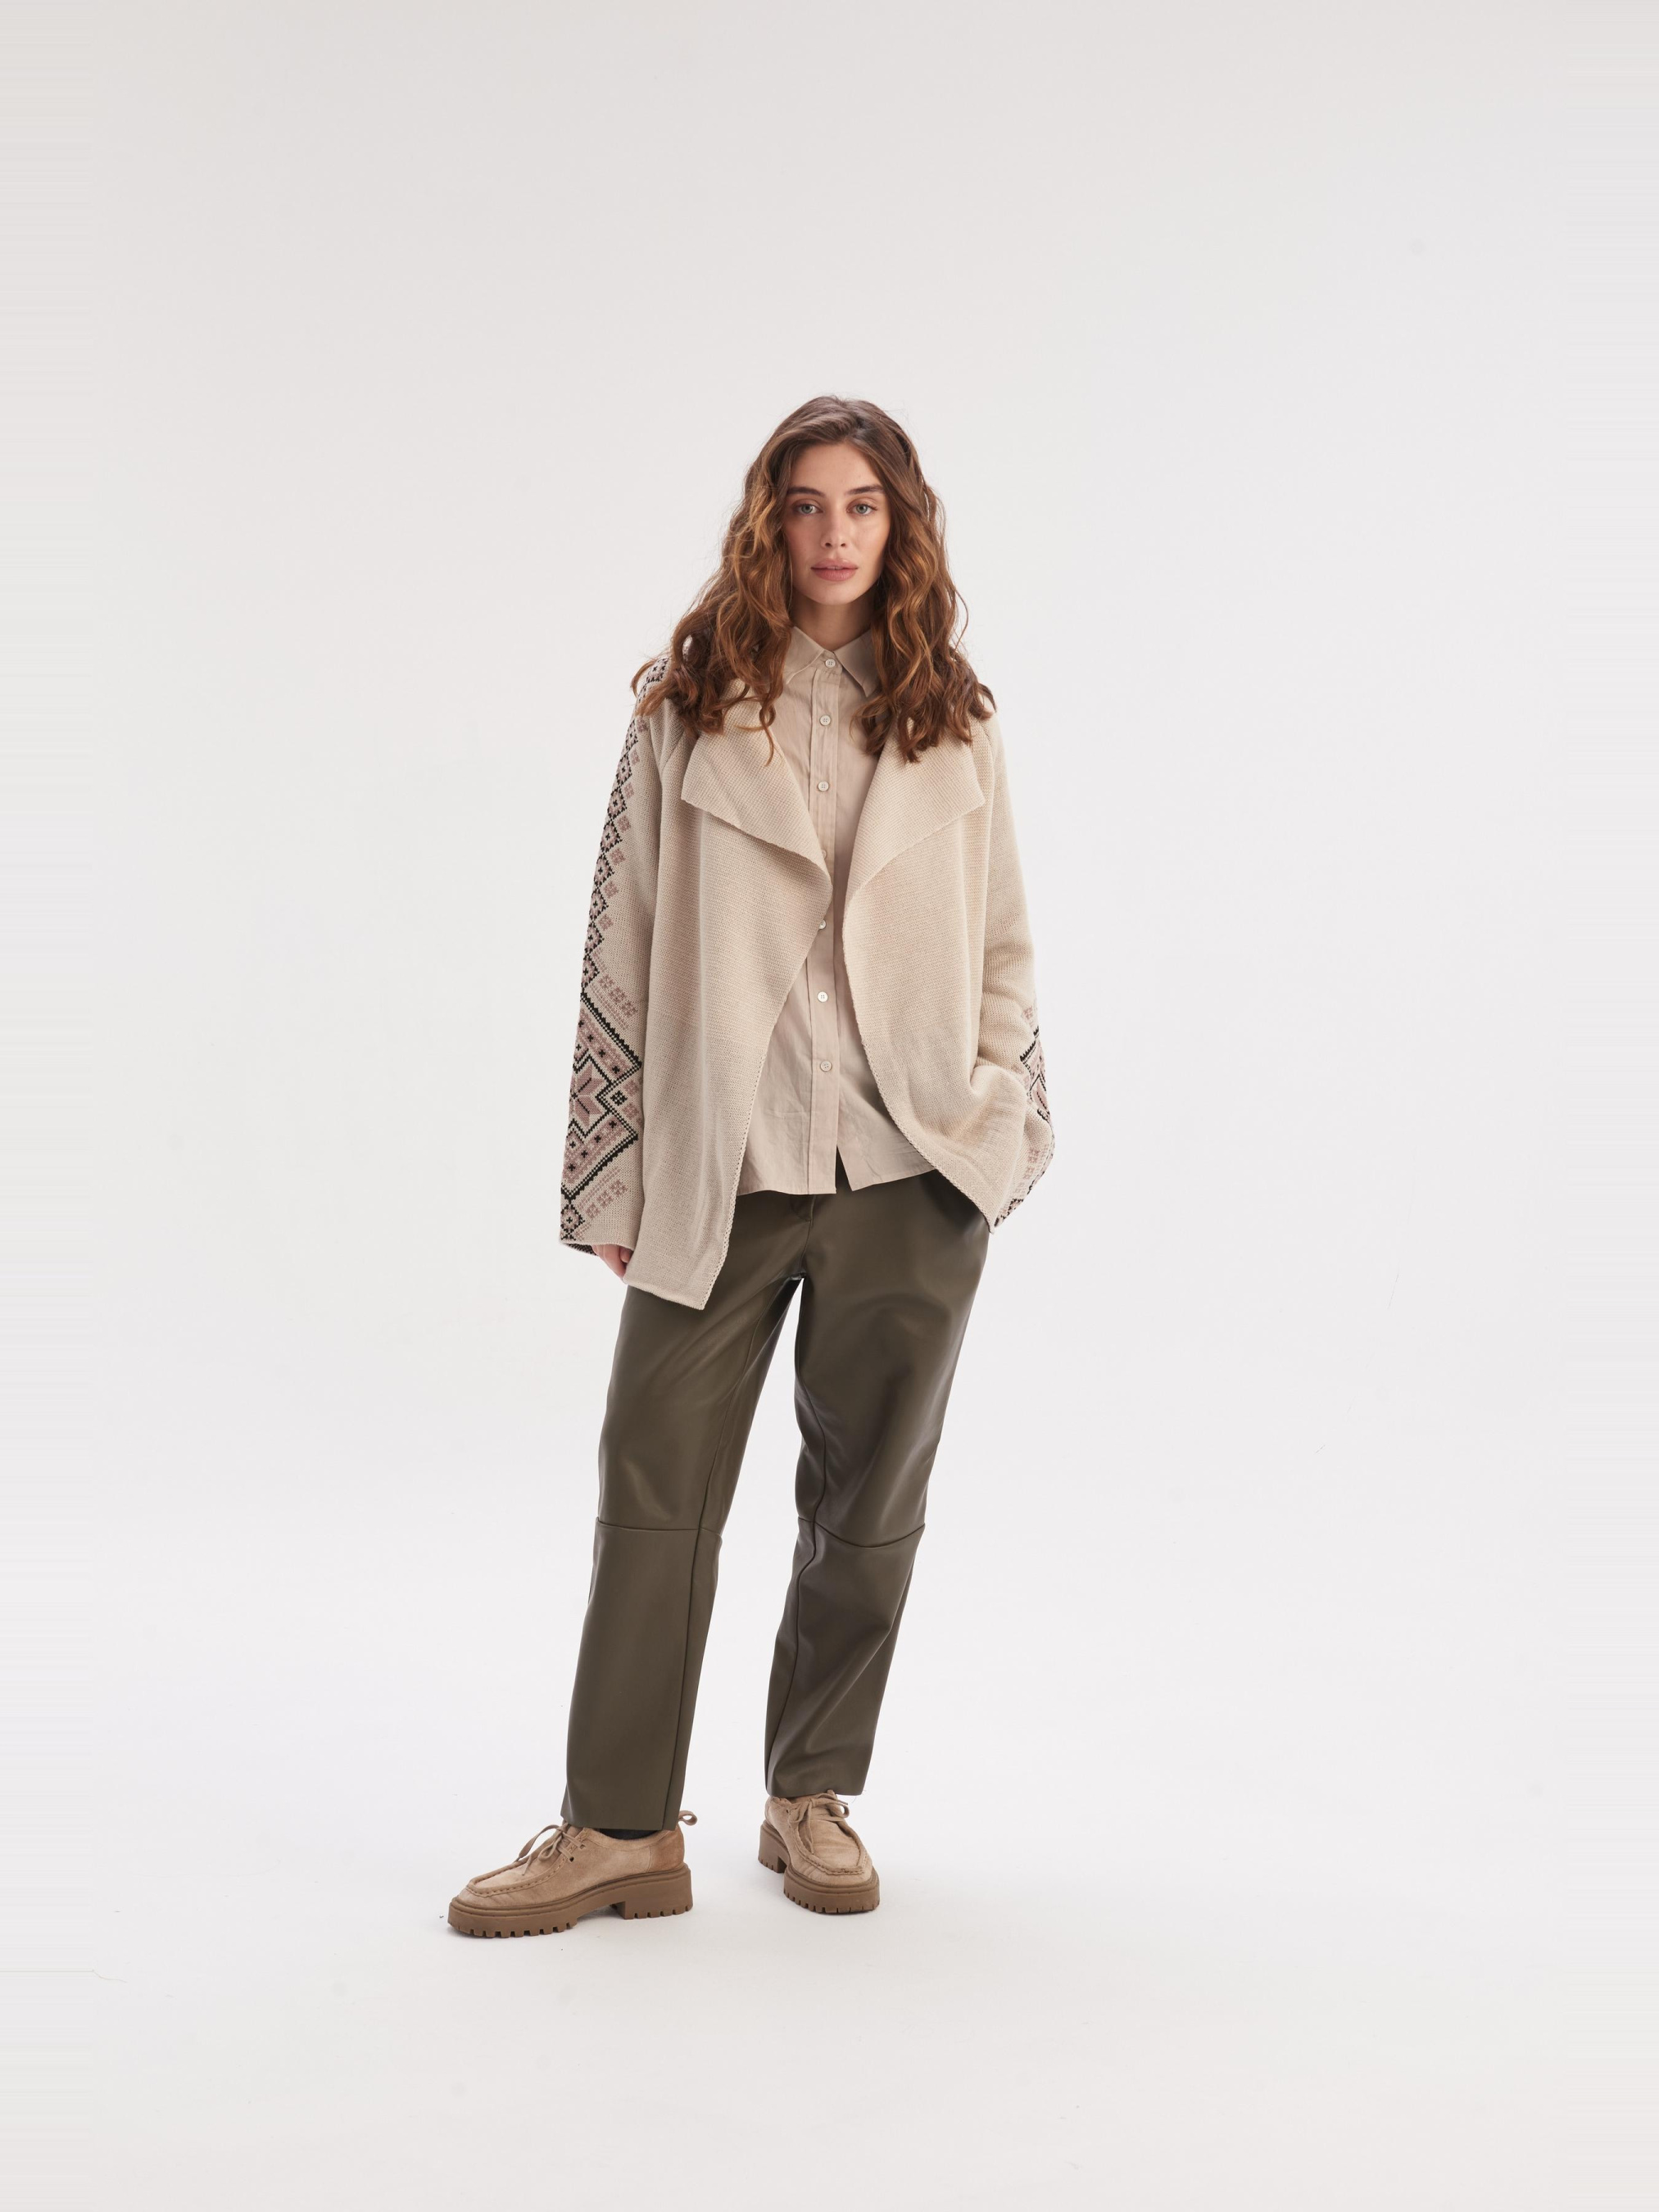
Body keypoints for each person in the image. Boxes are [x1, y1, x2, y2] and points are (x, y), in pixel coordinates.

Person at [447, 395, 1054, 1938]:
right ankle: (618, 1830)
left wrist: (995, 1127)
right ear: (765, 523)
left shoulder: (956, 718)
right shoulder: (688, 709)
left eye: (862, 505)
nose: (833, 533)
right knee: (652, 1490)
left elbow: (1001, 945)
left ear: (900, 525)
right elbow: (623, 944)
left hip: (911, 1173)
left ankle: (811, 1796)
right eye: (805, 504)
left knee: (869, 1503)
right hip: (722, 1168)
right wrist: (613, 1179)